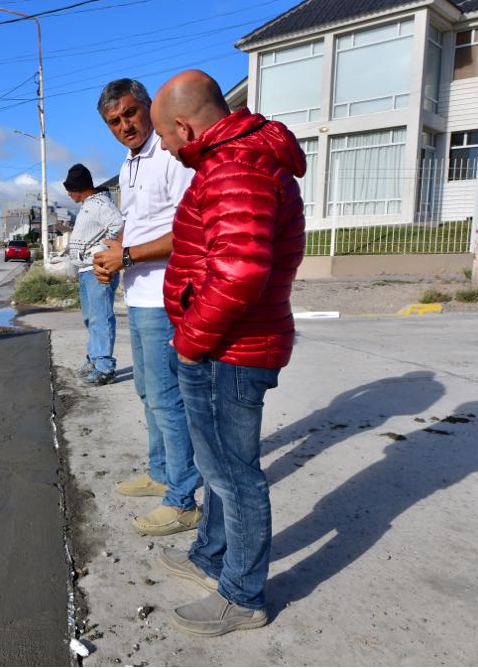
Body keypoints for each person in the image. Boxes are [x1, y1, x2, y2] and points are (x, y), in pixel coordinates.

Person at [152, 69, 306, 636]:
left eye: (165, 137)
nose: (166, 147)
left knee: (235, 475)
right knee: (219, 468)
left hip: (228, 348)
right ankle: (210, 557)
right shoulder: (237, 159)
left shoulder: (235, 166)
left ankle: (243, 596)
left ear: (185, 126)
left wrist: (190, 342)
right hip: (227, 343)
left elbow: (240, 273)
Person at [92, 78, 202, 537]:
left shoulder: (170, 155)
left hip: (165, 296)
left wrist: (129, 256)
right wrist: (115, 250)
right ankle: (160, 473)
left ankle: (182, 499)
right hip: (137, 297)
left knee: (167, 399)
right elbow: (141, 224)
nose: (125, 126)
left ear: (148, 107)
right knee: (146, 393)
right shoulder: (129, 164)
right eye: (114, 122)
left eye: (130, 114)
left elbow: (189, 229)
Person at [64, 163, 124, 386]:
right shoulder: (88, 205)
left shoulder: (101, 204)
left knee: (101, 318)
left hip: (98, 270)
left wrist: (103, 250)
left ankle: (105, 367)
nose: (68, 194)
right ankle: (95, 358)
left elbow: (118, 225)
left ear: (79, 188)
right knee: (92, 319)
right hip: (86, 271)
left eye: (69, 190)